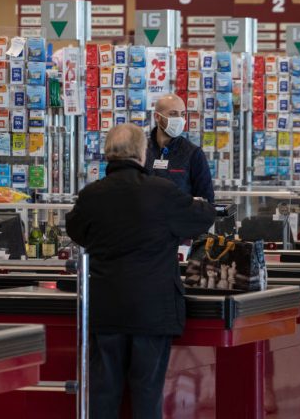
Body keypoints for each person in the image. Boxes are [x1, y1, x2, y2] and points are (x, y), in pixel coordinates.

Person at [66, 123, 215, 419]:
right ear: (142, 153)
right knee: (147, 396)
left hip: (105, 308)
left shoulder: (91, 195)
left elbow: (76, 230)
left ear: (108, 154)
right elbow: (203, 217)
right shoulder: (163, 192)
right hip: (152, 310)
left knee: (102, 396)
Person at [146, 93, 215, 203]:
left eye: (182, 114)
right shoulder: (142, 151)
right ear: (157, 117)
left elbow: (206, 202)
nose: (179, 119)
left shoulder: (193, 154)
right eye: (173, 114)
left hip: (180, 219)